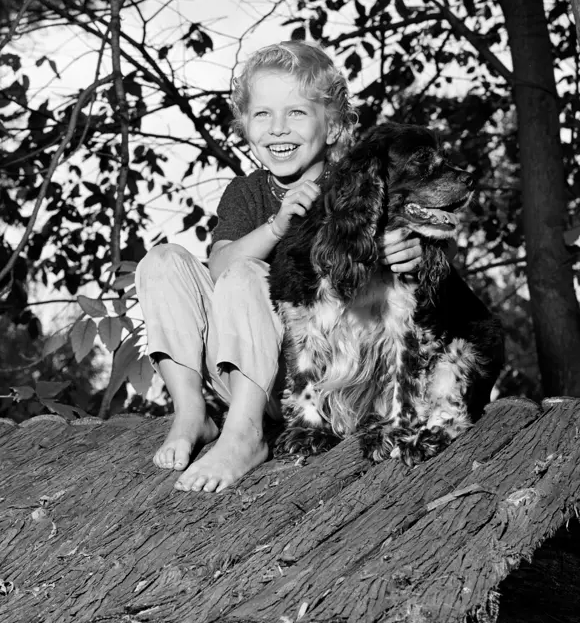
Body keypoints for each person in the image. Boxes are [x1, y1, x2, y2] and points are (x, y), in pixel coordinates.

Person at [135, 41, 423, 494]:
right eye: (263, 115)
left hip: (312, 377)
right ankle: (192, 411)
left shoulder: (354, 188)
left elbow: (395, 255)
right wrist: (275, 225)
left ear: (332, 127)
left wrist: (403, 251)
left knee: (252, 275)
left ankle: (245, 434)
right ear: (245, 127)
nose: (277, 128)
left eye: (297, 113)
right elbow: (217, 268)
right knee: (163, 260)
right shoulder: (245, 193)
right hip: (237, 367)